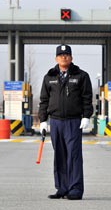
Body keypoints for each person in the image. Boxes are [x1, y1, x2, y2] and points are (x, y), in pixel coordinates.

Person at [39, 44, 94, 200]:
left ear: (71, 57)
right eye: (61, 55)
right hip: (55, 122)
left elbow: (87, 98)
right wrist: (43, 120)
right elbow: (44, 100)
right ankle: (62, 188)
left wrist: (86, 116)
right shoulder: (49, 77)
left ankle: (75, 189)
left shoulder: (81, 76)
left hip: (73, 121)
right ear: (56, 58)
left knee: (74, 155)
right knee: (60, 155)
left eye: (67, 55)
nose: (64, 57)